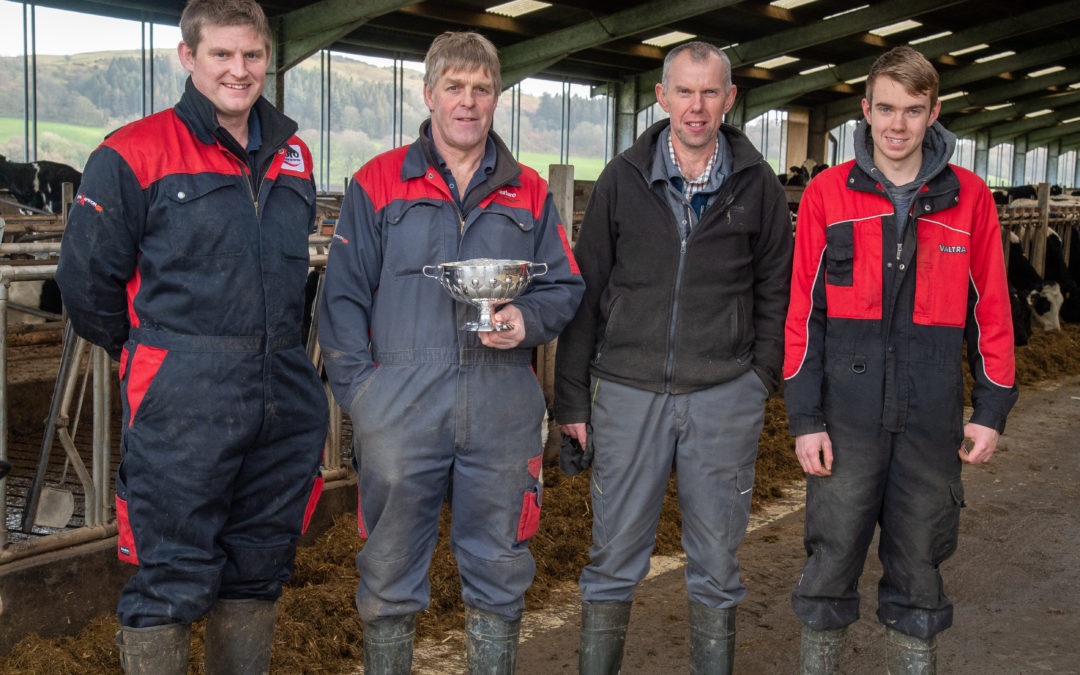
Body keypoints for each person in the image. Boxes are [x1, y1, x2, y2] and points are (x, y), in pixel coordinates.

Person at [55, 1, 328, 672]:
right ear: (189, 57)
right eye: (222, 55)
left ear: (268, 57)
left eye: (253, 55)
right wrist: (162, 355)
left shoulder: (295, 155)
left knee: (259, 564)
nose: (240, 70)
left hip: (281, 393)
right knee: (169, 574)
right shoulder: (131, 152)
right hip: (182, 394)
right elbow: (87, 285)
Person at [318, 31, 584, 673]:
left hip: (500, 400)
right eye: (455, 88)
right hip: (400, 404)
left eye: (482, 89)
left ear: (497, 97)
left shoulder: (528, 191)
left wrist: (526, 317)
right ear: (430, 93)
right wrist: (364, 396)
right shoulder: (379, 183)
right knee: (387, 568)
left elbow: (565, 284)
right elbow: (342, 298)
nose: (468, 102)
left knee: (500, 567)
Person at [553, 41, 793, 673]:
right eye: (684, 91)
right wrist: (573, 399)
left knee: (716, 565)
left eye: (710, 92)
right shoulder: (622, 178)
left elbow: (777, 287)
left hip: (722, 394)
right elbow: (588, 287)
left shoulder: (758, 184)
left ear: (729, 99)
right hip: (628, 392)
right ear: (661, 96)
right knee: (612, 560)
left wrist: (758, 380)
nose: (696, 106)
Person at [783, 46, 1018, 674]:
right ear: (865, 110)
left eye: (913, 111)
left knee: (918, 574)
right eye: (885, 108)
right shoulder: (828, 194)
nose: (897, 125)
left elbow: (992, 311)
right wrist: (804, 419)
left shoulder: (969, 199)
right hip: (847, 421)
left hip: (931, 421)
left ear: (934, 113)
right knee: (829, 565)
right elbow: (802, 316)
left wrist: (991, 408)